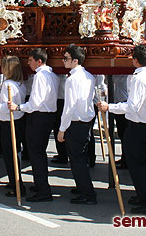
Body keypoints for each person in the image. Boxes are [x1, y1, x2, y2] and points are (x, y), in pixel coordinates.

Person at [99, 45, 146, 214]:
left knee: (136, 163)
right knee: (143, 162)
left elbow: (132, 106)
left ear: (135, 60)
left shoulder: (139, 78)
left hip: (139, 123)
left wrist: (109, 107)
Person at [7, 48, 59, 202]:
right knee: (39, 152)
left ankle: (43, 190)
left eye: (30, 60)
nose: (28, 63)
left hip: (39, 116)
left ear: (39, 61)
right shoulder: (52, 75)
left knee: (36, 153)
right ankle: (40, 183)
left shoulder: (40, 76)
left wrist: (19, 107)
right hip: (48, 116)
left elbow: (35, 102)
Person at [58, 44, 97, 205]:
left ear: (75, 60)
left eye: (66, 58)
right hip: (86, 120)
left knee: (77, 159)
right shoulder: (89, 75)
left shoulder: (72, 79)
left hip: (76, 121)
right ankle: (83, 186)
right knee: (81, 157)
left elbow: (69, 106)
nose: (63, 61)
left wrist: (61, 129)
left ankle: (87, 193)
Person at [0, 56, 27, 197]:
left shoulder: (8, 84)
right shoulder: (20, 83)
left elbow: (5, 107)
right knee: (15, 153)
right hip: (18, 120)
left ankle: (17, 186)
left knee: (10, 155)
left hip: (9, 121)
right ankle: (14, 181)